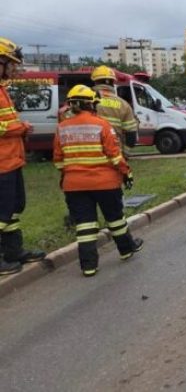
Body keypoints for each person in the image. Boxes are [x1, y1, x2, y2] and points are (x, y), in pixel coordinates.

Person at [53, 84, 143, 277]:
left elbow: (58, 160)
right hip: (105, 183)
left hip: (74, 185)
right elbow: (114, 155)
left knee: (85, 225)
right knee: (115, 218)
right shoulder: (102, 125)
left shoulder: (62, 128)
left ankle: (88, 266)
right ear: (90, 104)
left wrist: (69, 174)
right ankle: (126, 250)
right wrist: (126, 172)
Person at [0, 37, 46, 275]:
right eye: (9, 63)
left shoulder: (2, 90)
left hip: (10, 160)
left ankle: (13, 251)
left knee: (14, 209)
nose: (13, 68)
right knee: (1, 212)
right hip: (1, 163)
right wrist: (21, 128)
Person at [90, 65, 138, 153]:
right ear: (112, 82)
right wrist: (124, 154)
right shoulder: (124, 105)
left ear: (95, 82)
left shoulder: (86, 101)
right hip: (114, 154)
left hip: (91, 154)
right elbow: (131, 135)